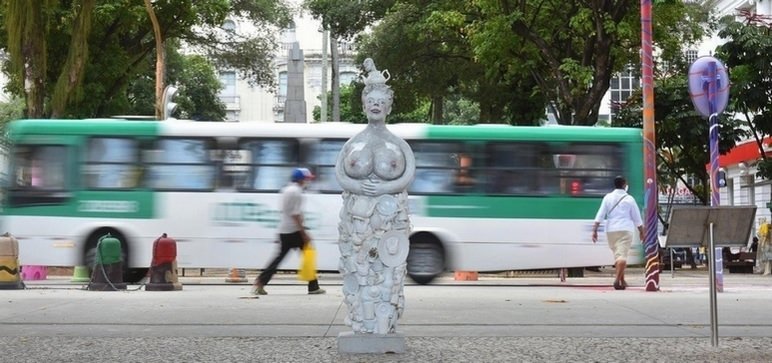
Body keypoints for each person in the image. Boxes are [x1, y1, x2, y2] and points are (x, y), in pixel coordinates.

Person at [335, 58, 415, 334]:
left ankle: (384, 323)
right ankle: (361, 322)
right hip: (357, 222)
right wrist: (358, 188)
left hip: (389, 221)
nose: (376, 105)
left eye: (381, 101)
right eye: (371, 100)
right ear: (364, 105)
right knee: (359, 276)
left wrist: (384, 189)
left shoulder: (399, 144)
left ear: (389, 106)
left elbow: (408, 176)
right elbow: (340, 175)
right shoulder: (352, 143)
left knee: (387, 278)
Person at [251, 168, 326, 295]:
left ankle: (261, 282)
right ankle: (313, 286)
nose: (308, 181)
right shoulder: (297, 192)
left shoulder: (286, 189)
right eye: (307, 179)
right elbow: (296, 214)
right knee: (308, 254)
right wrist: (304, 233)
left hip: (284, 230)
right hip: (294, 231)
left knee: (280, 258)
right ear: (301, 179)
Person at [591, 175, 644, 290]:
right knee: (622, 256)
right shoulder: (630, 199)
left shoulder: (607, 197)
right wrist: (641, 231)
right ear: (624, 185)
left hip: (611, 230)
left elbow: (600, 214)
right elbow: (637, 217)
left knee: (618, 255)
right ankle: (616, 280)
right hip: (625, 230)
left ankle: (622, 280)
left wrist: (594, 230)